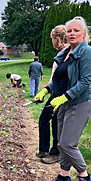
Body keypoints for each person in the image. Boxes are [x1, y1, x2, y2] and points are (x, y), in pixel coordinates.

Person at [35, 16, 91, 181]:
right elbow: (59, 79)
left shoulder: (88, 53)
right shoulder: (65, 53)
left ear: (84, 33)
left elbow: (85, 82)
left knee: (68, 143)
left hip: (80, 102)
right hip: (64, 103)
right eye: (69, 31)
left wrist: (65, 97)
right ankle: (64, 176)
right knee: (61, 143)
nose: (72, 34)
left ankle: (85, 176)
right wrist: (46, 90)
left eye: (76, 30)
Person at [36, 25, 69, 164]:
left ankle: (56, 153)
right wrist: (45, 91)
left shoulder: (67, 54)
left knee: (56, 123)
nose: (52, 42)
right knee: (44, 119)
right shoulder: (60, 54)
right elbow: (53, 80)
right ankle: (44, 150)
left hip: (62, 94)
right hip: (54, 92)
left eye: (52, 39)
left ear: (56, 39)